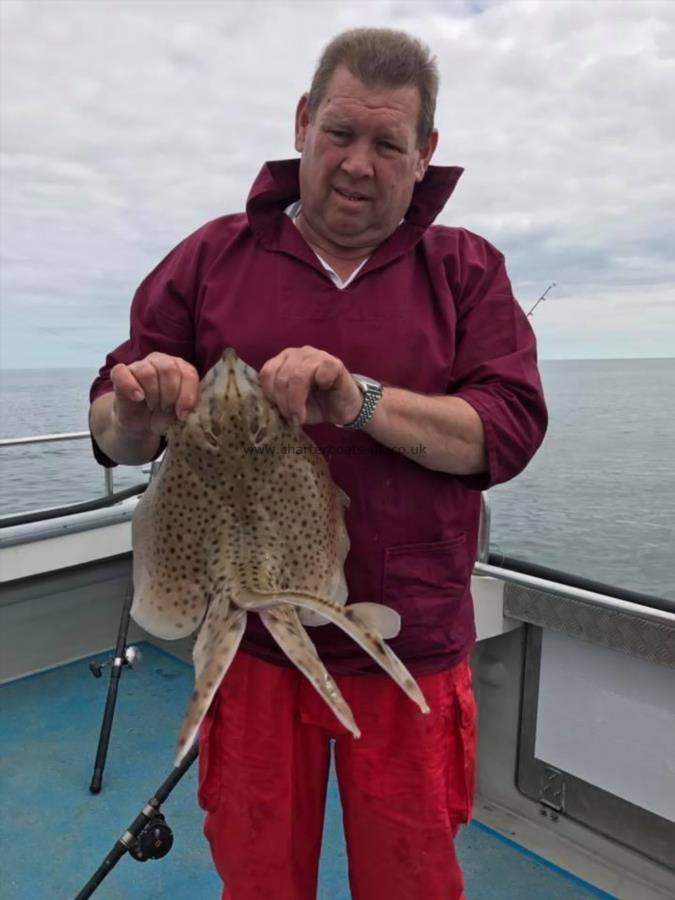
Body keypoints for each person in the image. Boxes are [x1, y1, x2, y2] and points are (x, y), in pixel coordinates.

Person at [89, 27, 547, 900]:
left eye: (387, 144)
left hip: (404, 645)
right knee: (258, 876)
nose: (357, 164)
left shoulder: (465, 270)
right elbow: (112, 430)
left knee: (410, 878)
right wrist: (137, 409)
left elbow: (508, 429)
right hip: (250, 643)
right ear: (302, 123)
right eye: (340, 133)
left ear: (425, 155)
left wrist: (359, 400)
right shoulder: (211, 258)